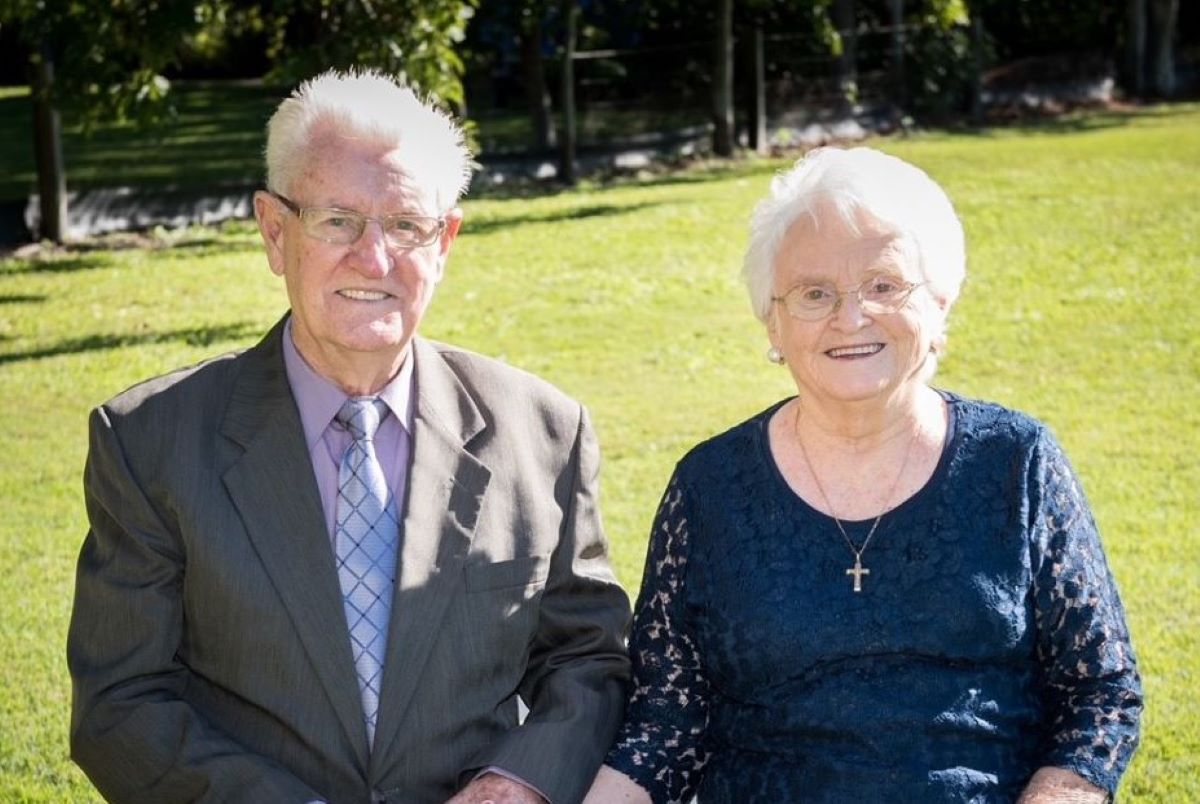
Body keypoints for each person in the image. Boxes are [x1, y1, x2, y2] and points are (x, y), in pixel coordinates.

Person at [67, 69, 631, 804]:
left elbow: (588, 657)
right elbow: (121, 704)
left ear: (446, 241)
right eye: (338, 221)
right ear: (275, 231)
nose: (374, 260)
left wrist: (520, 782)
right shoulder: (150, 443)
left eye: (405, 225)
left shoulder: (542, 430)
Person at [585, 147, 1141, 803]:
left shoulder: (1018, 462)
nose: (850, 319)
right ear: (774, 320)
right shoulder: (708, 488)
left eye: (883, 285)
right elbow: (663, 729)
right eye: (815, 293)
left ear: (939, 300)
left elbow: (1099, 691)